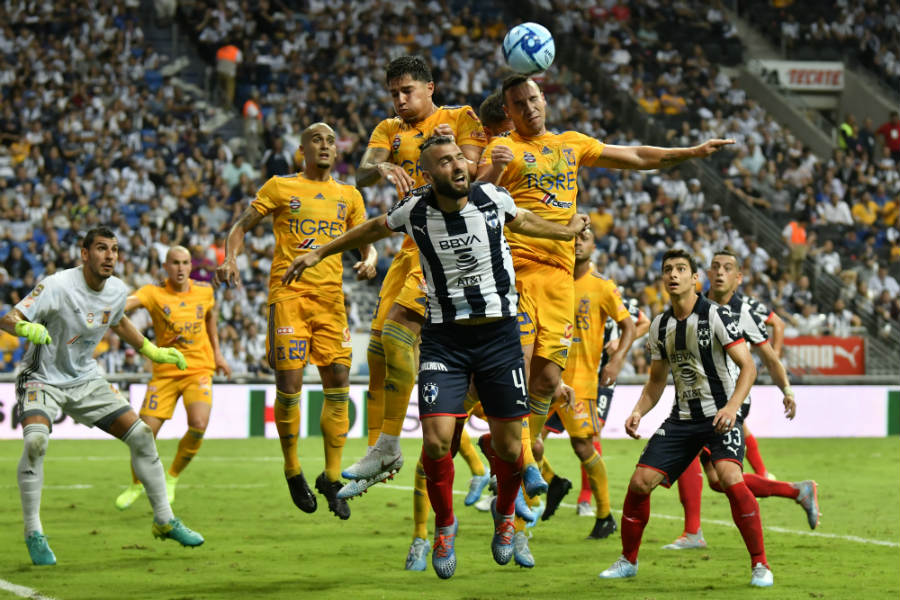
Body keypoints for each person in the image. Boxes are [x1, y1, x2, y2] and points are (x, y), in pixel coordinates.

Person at [280, 135, 590, 579]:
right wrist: (319, 251)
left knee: (509, 447)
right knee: (435, 441)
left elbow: (523, 220)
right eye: (446, 162)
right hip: (445, 340)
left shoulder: (491, 198)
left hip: (501, 337)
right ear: (429, 175)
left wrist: (565, 231)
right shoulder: (416, 210)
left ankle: (504, 517)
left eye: (460, 158)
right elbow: (371, 228)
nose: (459, 166)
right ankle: (445, 526)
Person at [476, 74, 734, 505]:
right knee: (517, 375)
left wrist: (690, 152)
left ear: (544, 99)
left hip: (560, 282)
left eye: (533, 98)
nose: (529, 107)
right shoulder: (504, 150)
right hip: (517, 276)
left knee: (543, 382)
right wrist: (496, 167)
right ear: (509, 112)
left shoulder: (572, 143)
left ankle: (525, 465)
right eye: (518, 103)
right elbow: (475, 197)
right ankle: (524, 467)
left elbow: (633, 154)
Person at [1, 227, 204, 566]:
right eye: (101, 248)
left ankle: (165, 520)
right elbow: (9, 318)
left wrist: (152, 350)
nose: (110, 255)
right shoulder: (57, 285)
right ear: (84, 254)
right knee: (36, 444)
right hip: (42, 377)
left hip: (85, 378)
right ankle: (33, 531)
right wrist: (23, 327)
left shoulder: (117, 290)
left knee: (141, 435)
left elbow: (119, 321)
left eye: (114, 249)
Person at [339, 55, 487, 498]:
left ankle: (403, 445)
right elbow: (363, 172)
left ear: (430, 87)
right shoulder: (389, 131)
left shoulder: (460, 118)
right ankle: (381, 452)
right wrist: (382, 167)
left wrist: (452, 150)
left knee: (402, 336)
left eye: (407, 91)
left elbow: (474, 172)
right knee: (381, 347)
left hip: (449, 243)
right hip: (410, 245)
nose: (400, 101)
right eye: (393, 94)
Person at [215, 122, 376, 520]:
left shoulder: (349, 195)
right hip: (289, 296)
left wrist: (370, 260)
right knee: (289, 384)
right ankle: (292, 469)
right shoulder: (280, 187)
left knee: (338, 380)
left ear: (337, 151)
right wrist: (231, 256)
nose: (324, 145)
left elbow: (365, 242)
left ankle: (333, 477)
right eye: (316, 140)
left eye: (330, 140)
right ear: (301, 149)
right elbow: (241, 226)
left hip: (330, 301)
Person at [598, 249, 773, 588]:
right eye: (667, 270)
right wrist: (637, 411)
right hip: (681, 420)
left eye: (681, 269)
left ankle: (760, 564)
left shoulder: (718, 316)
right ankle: (628, 561)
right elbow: (655, 381)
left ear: (696, 279)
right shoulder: (660, 326)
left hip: (719, 417)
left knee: (730, 478)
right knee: (639, 483)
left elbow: (749, 367)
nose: (673, 275)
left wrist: (732, 407)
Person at [663, 248, 818, 552]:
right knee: (720, 480)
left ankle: (693, 532)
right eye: (715, 267)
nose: (720, 272)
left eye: (727, 268)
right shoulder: (692, 305)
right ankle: (797, 491)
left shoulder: (745, 311)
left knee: (689, 453)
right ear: (707, 273)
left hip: (728, 401)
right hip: (697, 397)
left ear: (738, 277)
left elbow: (769, 358)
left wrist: (786, 390)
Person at [533, 227, 639, 539]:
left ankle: (604, 515)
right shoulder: (553, 279)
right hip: (544, 376)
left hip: (581, 382)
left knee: (582, 447)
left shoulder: (603, 287)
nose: (578, 242)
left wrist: (617, 359)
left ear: (594, 246)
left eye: (585, 238)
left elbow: (629, 326)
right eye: (573, 237)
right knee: (524, 441)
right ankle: (550, 485)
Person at [114, 246, 231, 510]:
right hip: (165, 372)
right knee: (142, 434)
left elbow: (210, 318)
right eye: (175, 263)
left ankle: (172, 477)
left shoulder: (205, 292)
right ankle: (136, 483)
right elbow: (126, 305)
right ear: (165, 266)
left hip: (198, 369)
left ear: (191, 266)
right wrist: (107, 306)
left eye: (185, 263)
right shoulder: (152, 293)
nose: (180, 268)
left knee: (199, 423)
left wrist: (219, 355)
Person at [543, 293, 650, 522]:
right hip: (566, 377)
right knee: (534, 438)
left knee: (589, 437)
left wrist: (621, 343)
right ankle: (549, 484)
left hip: (598, 379)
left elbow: (643, 322)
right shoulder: (563, 291)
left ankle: (586, 499)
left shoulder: (605, 293)